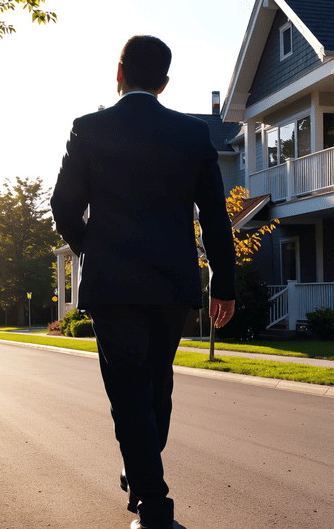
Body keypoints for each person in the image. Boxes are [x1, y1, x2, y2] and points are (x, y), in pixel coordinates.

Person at [51, 35, 236, 529]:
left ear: (119, 73)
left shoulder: (88, 130)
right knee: (154, 388)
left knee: (136, 391)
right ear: (165, 82)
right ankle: (154, 504)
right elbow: (215, 216)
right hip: (172, 283)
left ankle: (142, 478)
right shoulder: (192, 135)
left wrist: (95, 249)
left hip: (114, 287)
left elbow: (63, 207)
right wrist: (223, 281)